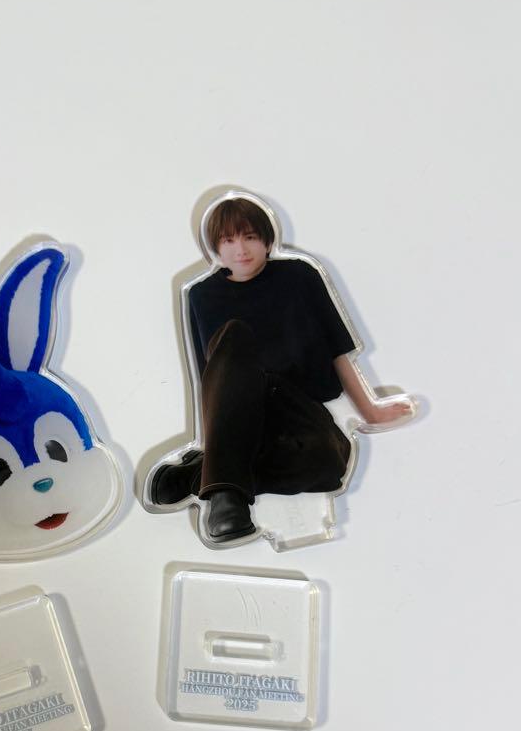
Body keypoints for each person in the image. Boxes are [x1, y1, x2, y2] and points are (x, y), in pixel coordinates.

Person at [150, 196, 412, 542]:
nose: (241, 249)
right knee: (234, 335)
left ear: (266, 239)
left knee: (328, 464)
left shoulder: (299, 276)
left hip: (295, 405)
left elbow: (337, 350)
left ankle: (198, 476)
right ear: (215, 247)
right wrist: (215, 440)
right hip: (241, 408)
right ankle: (227, 500)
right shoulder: (203, 295)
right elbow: (210, 381)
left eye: (249, 237)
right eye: (228, 240)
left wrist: (371, 411)